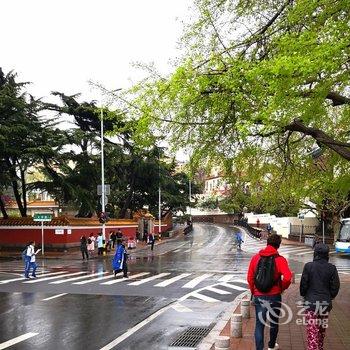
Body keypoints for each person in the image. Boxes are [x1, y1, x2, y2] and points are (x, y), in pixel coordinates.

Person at [247, 234, 292, 350]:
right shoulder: (280, 260)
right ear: (278, 245)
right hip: (274, 296)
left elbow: (250, 278)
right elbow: (287, 277)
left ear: (267, 243)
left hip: (259, 296)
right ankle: (271, 345)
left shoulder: (255, 258)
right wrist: (281, 288)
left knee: (259, 324)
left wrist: (254, 291)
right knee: (274, 322)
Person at [300, 243, 340, 350]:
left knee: (312, 333)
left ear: (315, 253)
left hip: (311, 304)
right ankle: (320, 347)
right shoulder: (332, 268)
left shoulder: (308, 266)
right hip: (325, 304)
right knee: (321, 331)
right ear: (327, 254)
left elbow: (304, 284)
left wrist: (304, 295)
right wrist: (330, 296)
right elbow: (335, 286)